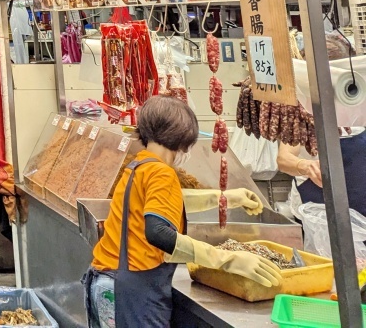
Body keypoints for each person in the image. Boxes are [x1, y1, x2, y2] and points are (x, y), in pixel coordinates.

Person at [84, 96, 279, 328]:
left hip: (105, 282)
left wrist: (226, 198)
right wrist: (228, 259)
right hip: (132, 292)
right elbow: (157, 232)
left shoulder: (138, 166)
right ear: (182, 139)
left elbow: (168, 200)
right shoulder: (162, 173)